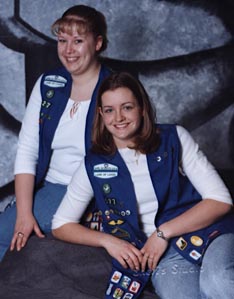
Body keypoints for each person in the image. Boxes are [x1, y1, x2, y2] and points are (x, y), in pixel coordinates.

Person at [52, 72, 234, 299]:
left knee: (217, 282)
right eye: (109, 110)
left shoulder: (174, 137)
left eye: (127, 107)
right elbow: (61, 224)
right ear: (101, 114)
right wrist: (109, 242)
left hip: (208, 232)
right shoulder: (94, 164)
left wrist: (162, 233)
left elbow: (220, 201)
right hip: (160, 256)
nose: (118, 117)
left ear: (142, 108)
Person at [0, 4, 111, 261]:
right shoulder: (49, 84)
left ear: (97, 43)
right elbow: (27, 150)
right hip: (49, 186)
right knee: (7, 232)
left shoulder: (116, 89)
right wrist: (25, 213)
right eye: (62, 40)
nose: (68, 50)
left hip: (91, 191)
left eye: (78, 40)